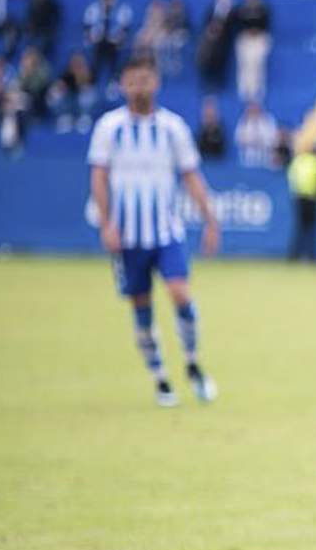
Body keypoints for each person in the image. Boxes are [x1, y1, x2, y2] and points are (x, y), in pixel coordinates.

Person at [88, 55, 221, 408]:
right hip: (128, 237)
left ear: (156, 82)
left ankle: (192, 361)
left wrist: (210, 219)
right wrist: (106, 223)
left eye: (144, 80)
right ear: (122, 84)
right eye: (132, 81)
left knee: (180, 293)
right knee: (141, 309)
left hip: (166, 232)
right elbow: (99, 177)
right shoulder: (109, 127)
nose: (138, 87)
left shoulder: (172, 128)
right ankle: (160, 378)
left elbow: (191, 175)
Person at [286, 144, 316, 261]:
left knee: (299, 228)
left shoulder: (298, 161)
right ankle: (312, 256)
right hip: (312, 198)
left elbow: (291, 176)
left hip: (298, 197)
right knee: (311, 229)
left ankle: (294, 256)